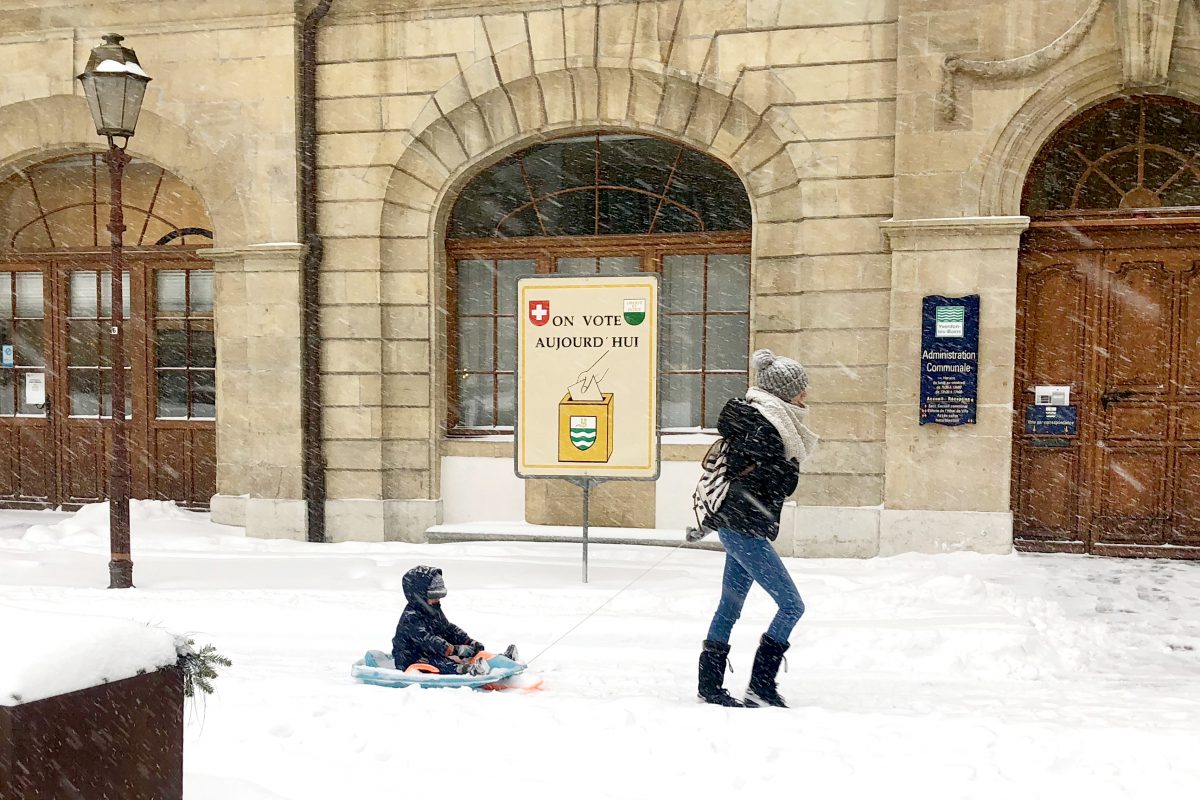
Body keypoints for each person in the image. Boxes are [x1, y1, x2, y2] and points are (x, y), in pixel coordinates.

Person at [697, 349, 819, 708]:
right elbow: (777, 482)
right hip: (744, 528)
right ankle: (760, 687)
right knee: (791, 605)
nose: (805, 395)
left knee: (729, 606)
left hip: (740, 524)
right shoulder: (767, 427)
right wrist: (788, 468)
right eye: (800, 389)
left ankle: (710, 686)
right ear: (783, 392)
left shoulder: (758, 419)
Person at [392, 565, 493, 676]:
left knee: (448, 656)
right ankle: (467, 670)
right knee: (439, 662)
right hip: (411, 659)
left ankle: (494, 660)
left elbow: (447, 629)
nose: (437, 600)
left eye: (439, 596)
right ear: (419, 596)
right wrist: (454, 649)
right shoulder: (410, 618)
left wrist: (468, 641)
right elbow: (428, 640)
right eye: (433, 596)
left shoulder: (433, 610)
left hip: (431, 653)